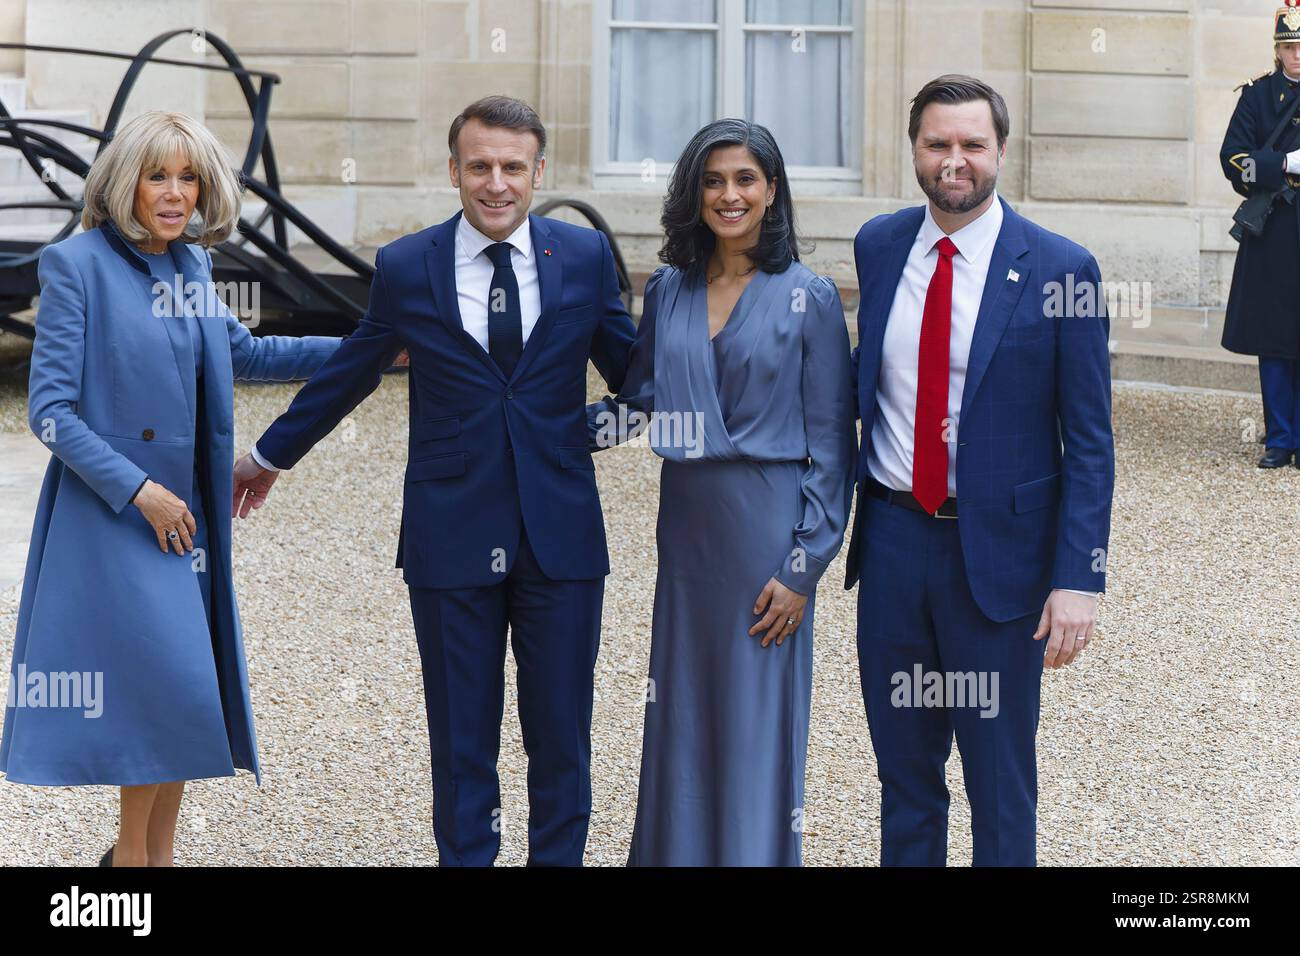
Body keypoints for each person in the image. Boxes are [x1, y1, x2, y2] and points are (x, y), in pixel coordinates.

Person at [230, 96, 637, 867]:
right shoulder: (407, 265)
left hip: (562, 540)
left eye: (512, 167)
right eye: (478, 165)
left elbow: (639, 381)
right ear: (453, 169)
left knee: (561, 741)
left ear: (538, 172)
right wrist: (268, 456)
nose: (496, 183)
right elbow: (352, 371)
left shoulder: (580, 259)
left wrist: (585, 435)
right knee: (461, 745)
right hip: (451, 537)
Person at [0, 111, 342, 865]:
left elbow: (247, 355)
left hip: (187, 523)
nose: (175, 192)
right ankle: (129, 867)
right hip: (118, 520)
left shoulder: (190, 267)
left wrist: (368, 350)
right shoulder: (76, 267)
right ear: (126, 181)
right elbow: (50, 414)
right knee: (165, 695)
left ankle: (152, 862)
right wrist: (140, 492)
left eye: (188, 177)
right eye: (159, 174)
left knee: (188, 703)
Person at [845, 75, 1114, 866]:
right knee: (904, 774)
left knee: (1000, 782)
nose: (953, 160)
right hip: (892, 542)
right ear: (915, 150)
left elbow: (1090, 441)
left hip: (1001, 562)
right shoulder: (881, 244)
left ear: (1001, 150)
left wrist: (1079, 578)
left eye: (971, 144)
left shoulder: (1063, 267)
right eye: (937, 144)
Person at [588, 119, 856, 866]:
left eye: (744, 180)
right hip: (689, 529)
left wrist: (805, 568)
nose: (728, 195)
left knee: (754, 720)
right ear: (693, 192)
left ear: (772, 191)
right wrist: (538, 430)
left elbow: (835, 448)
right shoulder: (669, 288)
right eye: (713, 181)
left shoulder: (810, 297)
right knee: (681, 709)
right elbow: (639, 403)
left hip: (766, 535)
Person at [1220, 1, 1300, 468]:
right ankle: (1281, 438)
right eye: (1289, 47)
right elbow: (1233, 159)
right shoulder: (1256, 96)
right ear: (1277, 49)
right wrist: (1285, 164)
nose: (1297, 56)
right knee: (1274, 338)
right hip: (1273, 229)